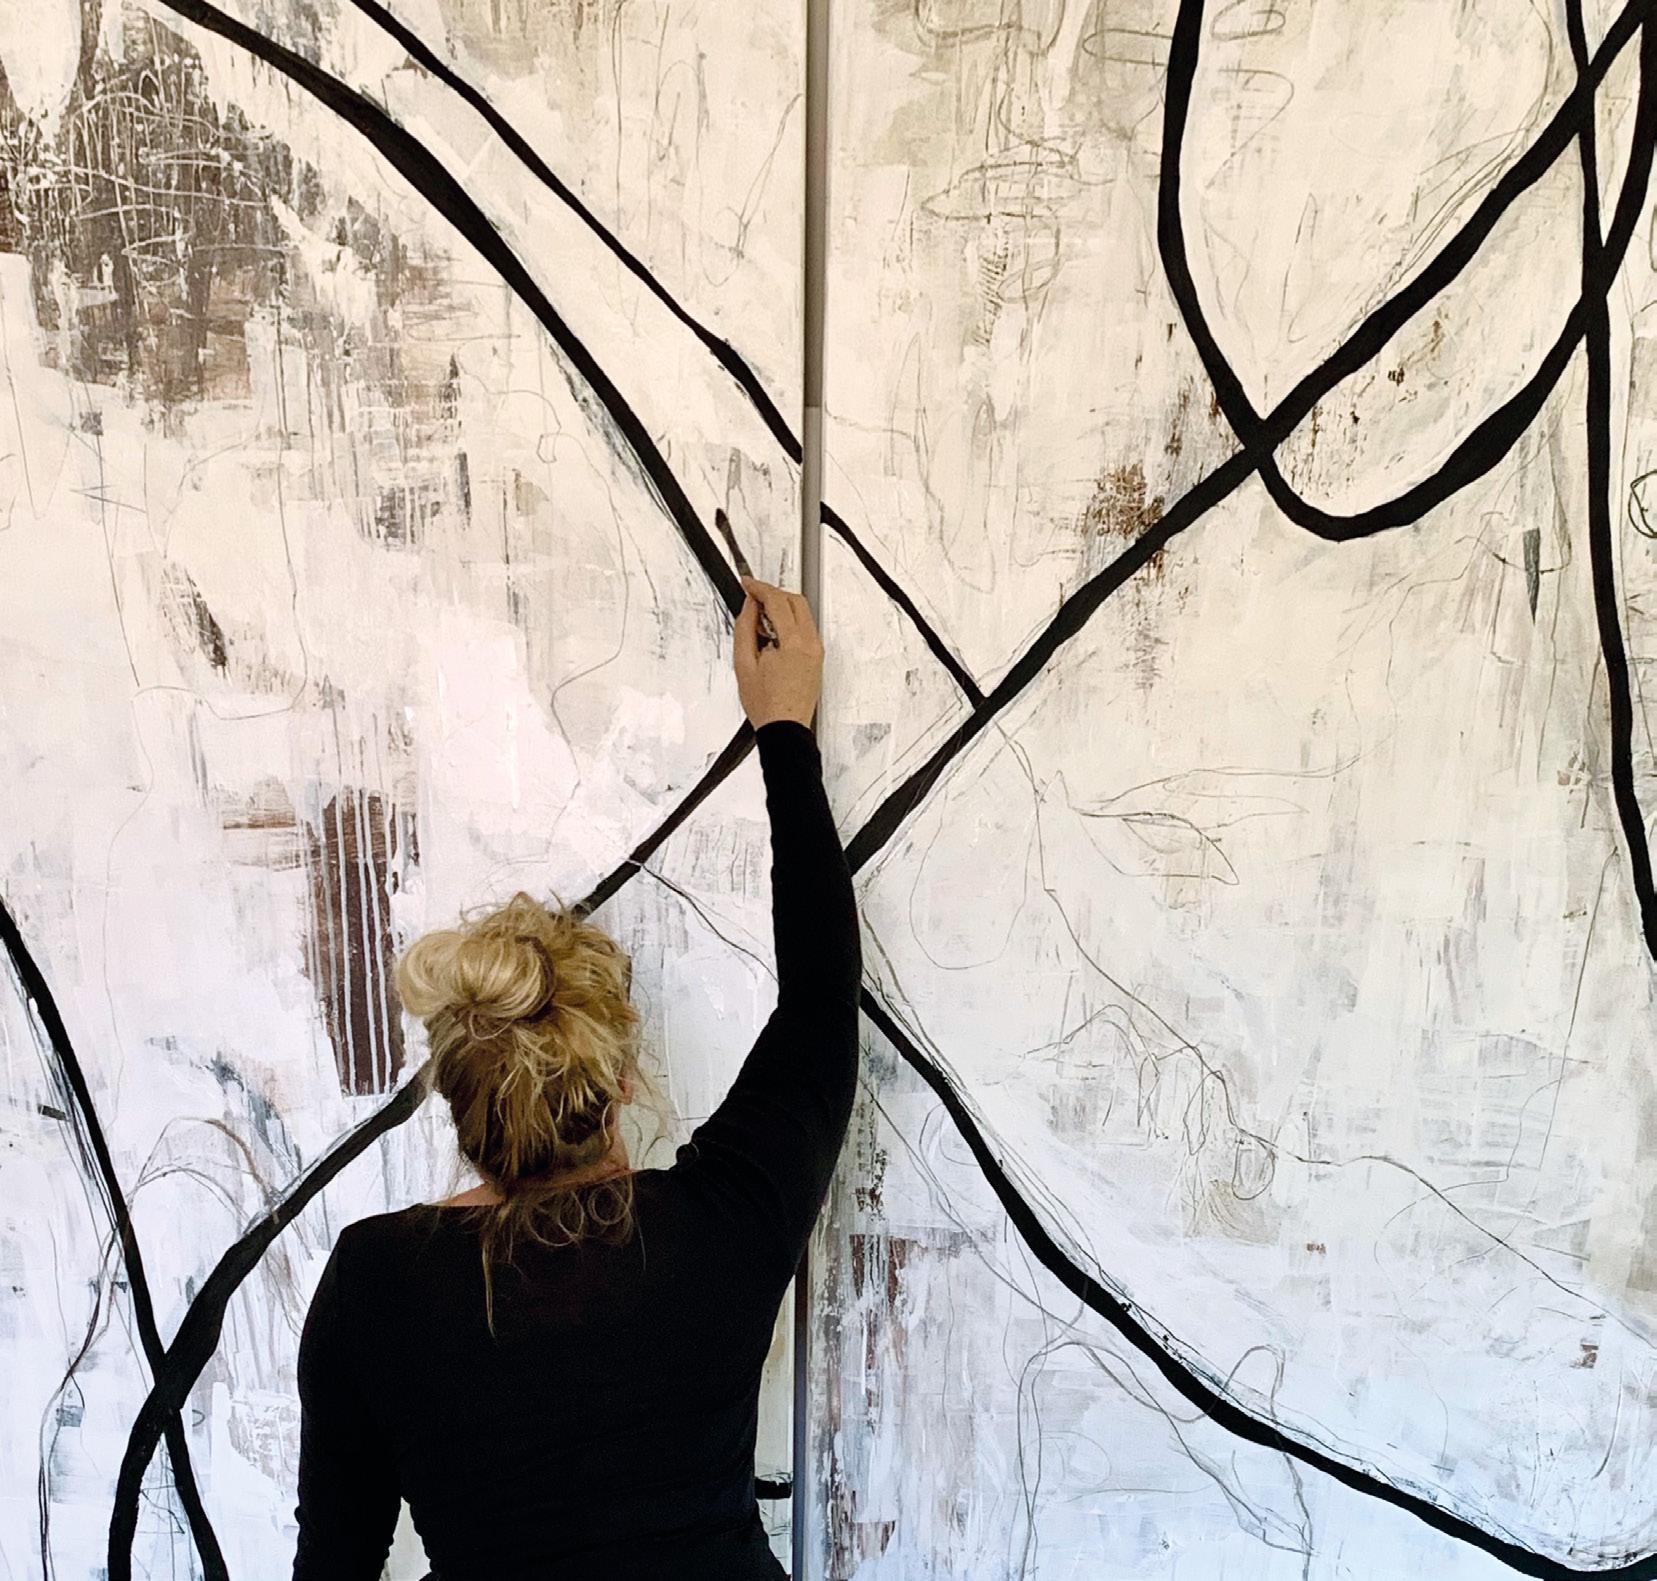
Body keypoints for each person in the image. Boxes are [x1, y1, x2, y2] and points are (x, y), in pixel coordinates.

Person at [289, 578, 860, 1580]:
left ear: (458, 1098)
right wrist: (783, 727)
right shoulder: (721, 1224)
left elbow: (332, 1565)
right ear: (622, 1079)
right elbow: (820, 1005)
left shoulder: (376, 1282)